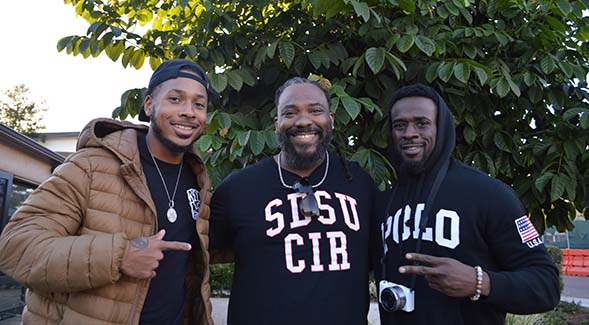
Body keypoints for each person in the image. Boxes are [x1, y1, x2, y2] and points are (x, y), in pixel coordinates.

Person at [0, 59, 218, 324]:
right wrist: (120, 256)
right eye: (175, 99)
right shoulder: (91, 166)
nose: (189, 112)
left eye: (199, 104)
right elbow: (15, 247)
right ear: (149, 105)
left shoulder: (197, 178)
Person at [373, 84, 560, 324]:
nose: (409, 133)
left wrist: (479, 282)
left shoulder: (488, 193)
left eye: (422, 123)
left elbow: (546, 285)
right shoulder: (383, 202)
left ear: (442, 129)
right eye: (400, 125)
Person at [209, 77, 377, 324]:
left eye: (315, 110)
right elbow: (199, 254)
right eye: (290, 112)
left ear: (330, 119)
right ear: (277, 124)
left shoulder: (360, 183)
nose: (303, 120)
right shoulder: (238, 188)